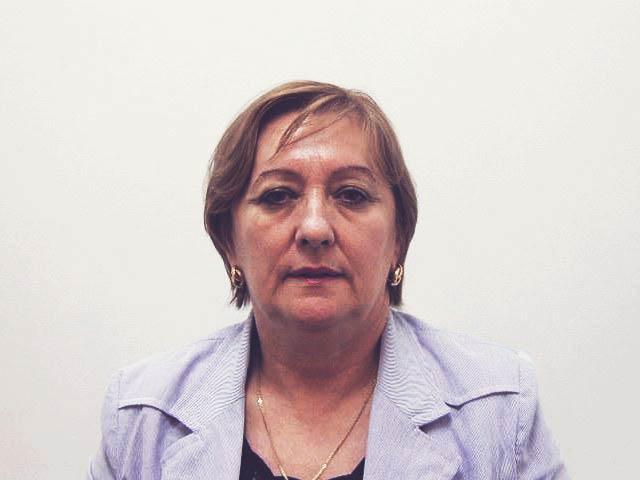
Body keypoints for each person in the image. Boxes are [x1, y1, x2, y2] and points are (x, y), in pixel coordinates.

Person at [88, 81, 569, 479]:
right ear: (229, 241)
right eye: (278, 196)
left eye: (351, 195)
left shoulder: (498, 410)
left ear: (398, 238)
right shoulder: (141, 418)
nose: (315, 228)